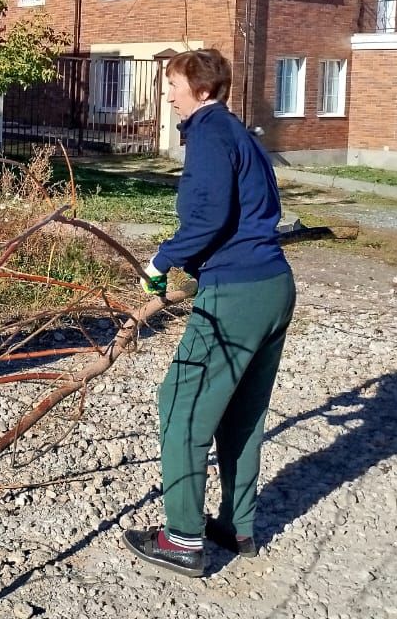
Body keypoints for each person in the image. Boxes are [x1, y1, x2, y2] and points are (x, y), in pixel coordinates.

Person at [123, 48, 295, 577]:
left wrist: (163, 258)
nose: (167, 93)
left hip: (236, 296)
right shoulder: (241, 134)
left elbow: (208, 216)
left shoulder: (208, 135)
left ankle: (181, 540)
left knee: (181, 405)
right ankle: (236, 526)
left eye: (172, 84)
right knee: (242, 411)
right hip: (273, 287)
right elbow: (261, 209)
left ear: (200, 89)